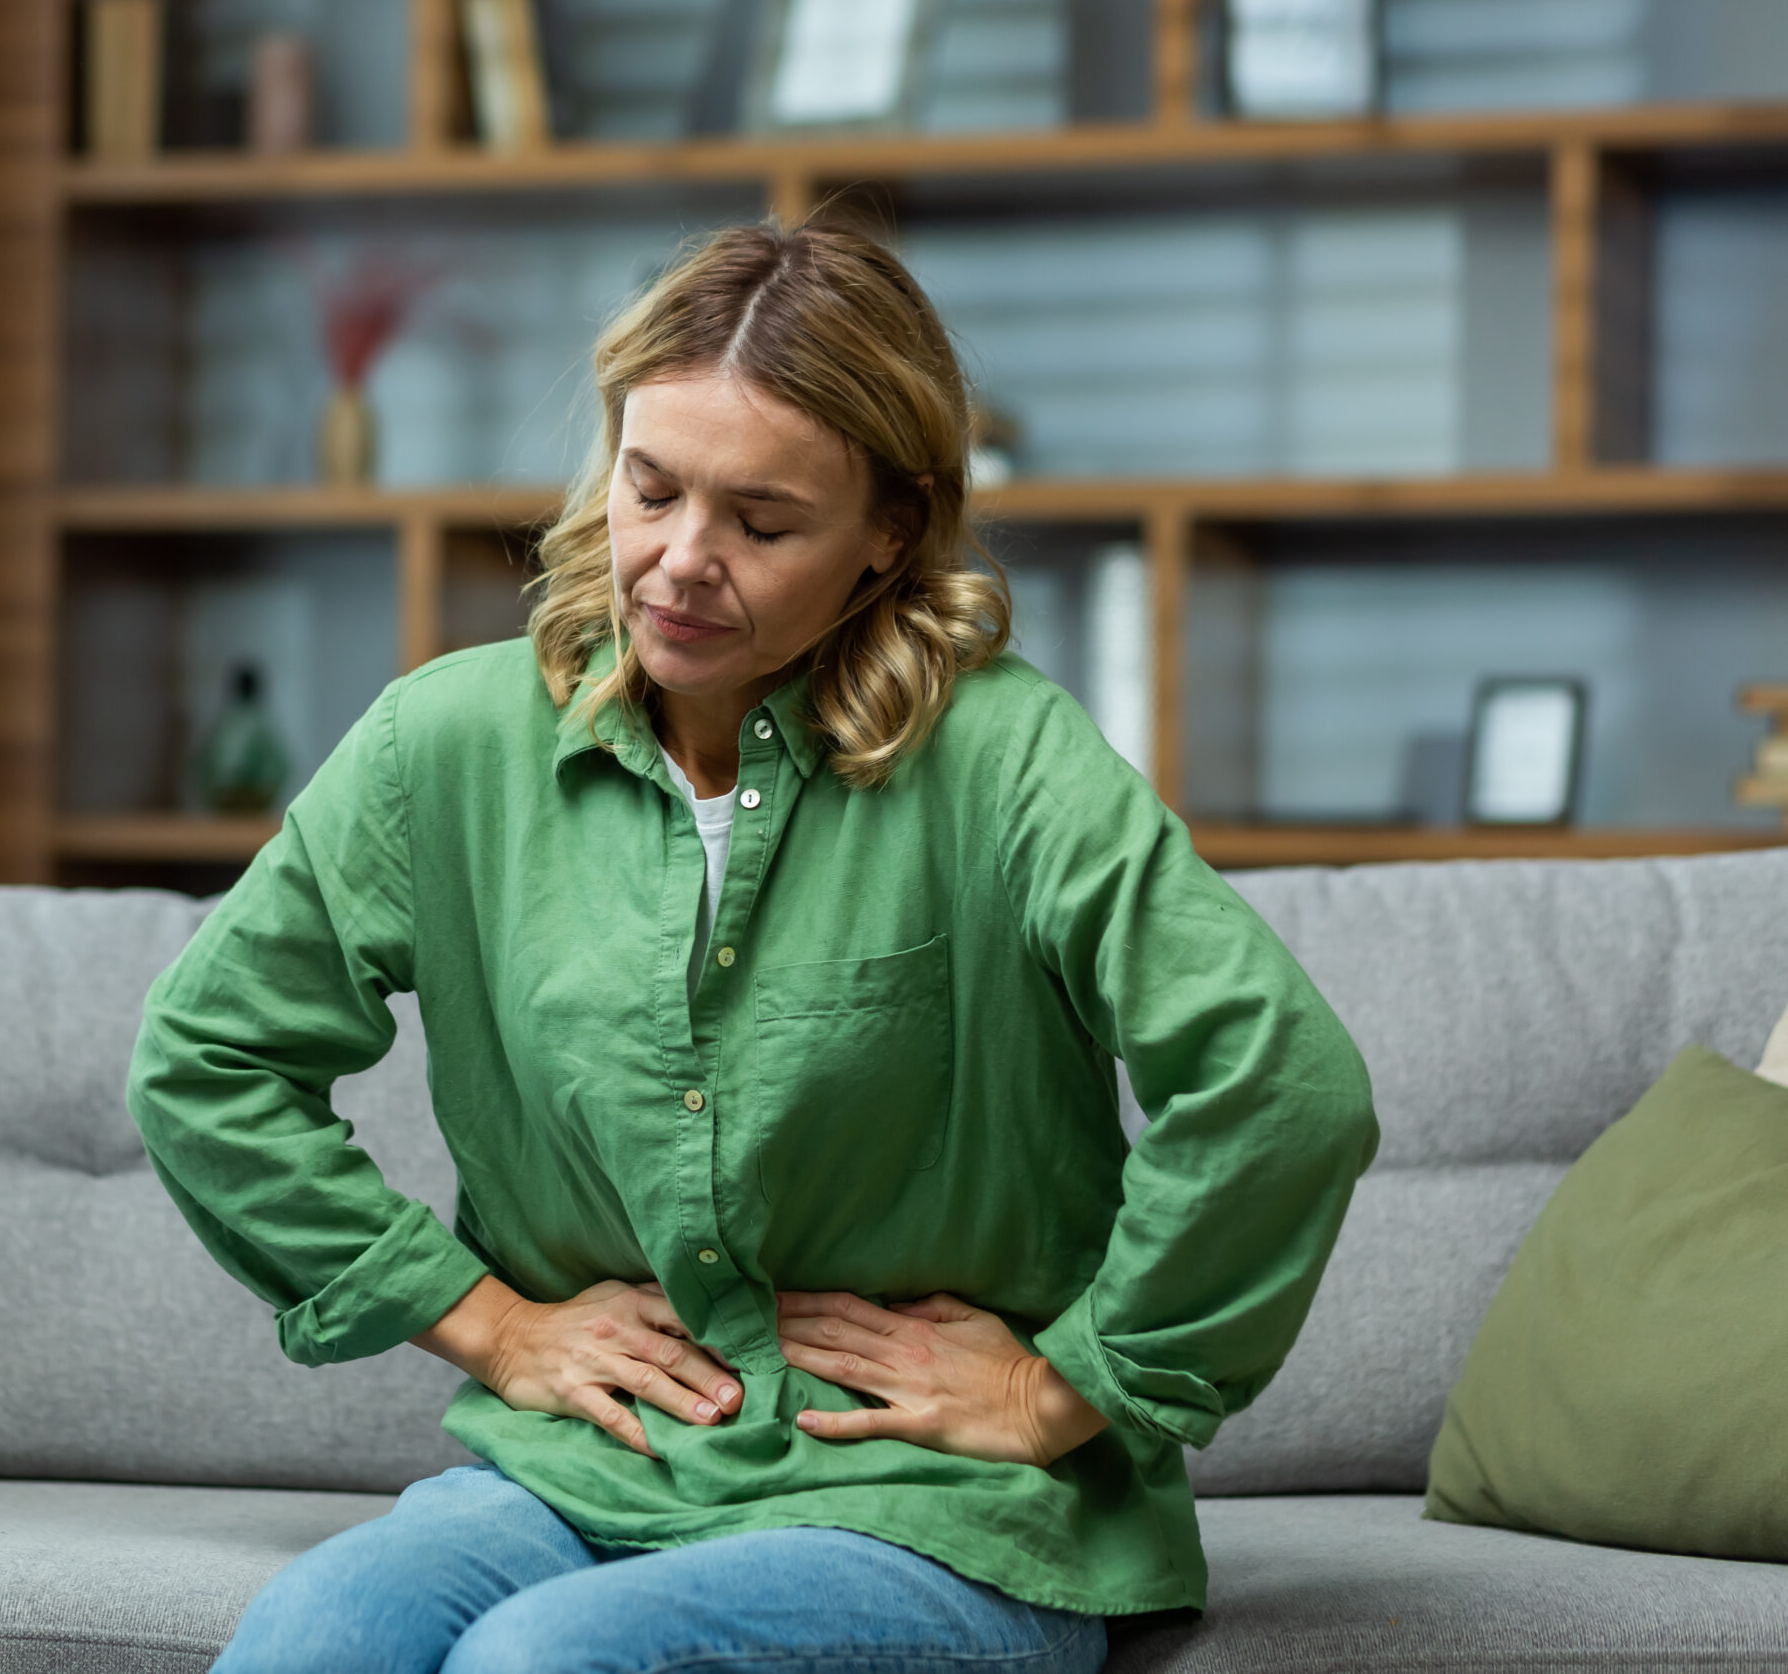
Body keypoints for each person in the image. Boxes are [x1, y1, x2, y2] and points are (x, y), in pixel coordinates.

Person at [124, 220, 1379, 1673]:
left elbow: (1283, 1088)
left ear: (886, 536)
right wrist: (488, 1323)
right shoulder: (446, 746)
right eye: (649, 489)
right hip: (588, 1474)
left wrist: (1063, 1391)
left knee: (546, 1666)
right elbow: (206, 1058)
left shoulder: (1005, 761)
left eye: (763, 523)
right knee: (317, 1637)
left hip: (936, 1509)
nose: (679, 564)